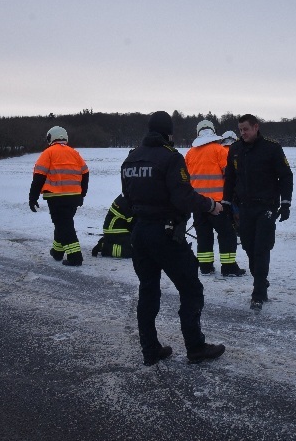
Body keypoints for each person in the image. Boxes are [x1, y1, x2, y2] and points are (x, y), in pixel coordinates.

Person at [121, 111, 225, 365]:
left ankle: (150, 349)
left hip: (140, 234)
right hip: (165, 234)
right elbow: (182, 196)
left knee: (148, 290)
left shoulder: (131, 159)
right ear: (168, 132)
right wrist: (210, 205)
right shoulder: (171, 158)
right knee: (191, 289)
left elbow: (127, 197)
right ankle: (195, 346)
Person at [222, 114, 293, 311]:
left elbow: (286, 176)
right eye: (240, 130)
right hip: (244, 207)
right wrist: (226, 203)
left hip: (266, 207)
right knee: (248, 246)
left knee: (262, 248)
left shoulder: (272, 148)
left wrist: (285, 203)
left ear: (256, 127)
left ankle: (258, 292)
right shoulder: (235, 149)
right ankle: (260, 278)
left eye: (246, 129)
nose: (242, 133)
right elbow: (229, 178)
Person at [185, 120, 245, 277]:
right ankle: (229, 267)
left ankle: (205, 266)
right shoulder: (220, 150)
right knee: (227, 235)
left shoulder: (190, 153)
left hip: (198, 204)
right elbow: (230, 176)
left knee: (204, 236)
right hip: (219, 204)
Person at [29, 126, 89, 266]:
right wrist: (82, 194)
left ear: (51, 137)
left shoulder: (48, 152)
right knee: (63, 223)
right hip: (74, 196)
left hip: (56, 197)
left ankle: (75, 256)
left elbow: (39, 176)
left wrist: (33, 197)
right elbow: (85, 173)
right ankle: (57, 251)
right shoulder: (74, 153)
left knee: (64, 225)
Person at [91, 194, 133, 258]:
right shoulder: (128, 200)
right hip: (115, 230)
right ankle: (105, 248)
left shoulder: (130, 195)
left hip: (120, 228)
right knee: (135, 252)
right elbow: (134, 223)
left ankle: (108, 241)